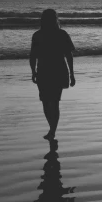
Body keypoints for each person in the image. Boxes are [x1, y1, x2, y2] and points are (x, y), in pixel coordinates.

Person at [30, 9, 76, 139]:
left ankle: (52, 129)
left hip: (44, 71)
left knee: (46, 102)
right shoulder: (61, 34)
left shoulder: (38, 35)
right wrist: (72, 74)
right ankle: (52, 129)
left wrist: (33, 71)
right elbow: (69, 56)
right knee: (54, 102)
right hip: (58, 70)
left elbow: (33, 56)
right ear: (56, 19)